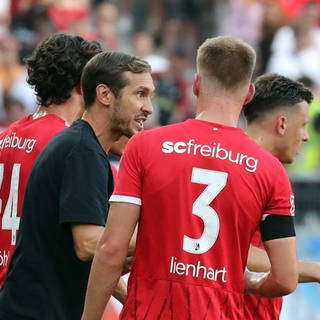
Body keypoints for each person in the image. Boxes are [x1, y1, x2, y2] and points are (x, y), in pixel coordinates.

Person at [81, 35, 298, 320]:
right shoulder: (270, 170)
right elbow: (285, 278)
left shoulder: (145, 146)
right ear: (248, 94)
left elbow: (111, 249)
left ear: (196, 84)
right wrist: (251, 281)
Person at [0, 51, 155, 319]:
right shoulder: (82, 151)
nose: (149, 108)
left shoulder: (83, 146)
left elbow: (92, 249)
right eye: (140, 94)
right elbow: (88, 243)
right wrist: (163, 240)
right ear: (105, 95)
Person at [0, 32, 102, 287]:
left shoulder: (6, 136)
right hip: (35, 289)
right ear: (83, 85)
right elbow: (86, 242)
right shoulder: (70, 145)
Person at [243, 72, 320, 319]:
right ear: (282, 123)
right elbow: (225, 248)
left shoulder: (238, 164)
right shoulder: (253, 171)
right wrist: (313, 270)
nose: (306, 136)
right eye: (303, 125)